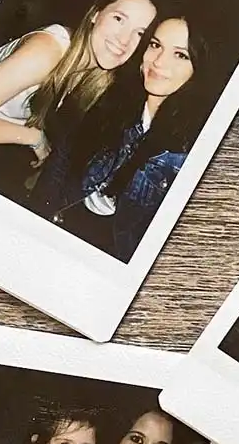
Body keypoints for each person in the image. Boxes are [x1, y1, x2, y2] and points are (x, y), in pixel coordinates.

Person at [0, 0, 157, 193]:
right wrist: (34, 138)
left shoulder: (98, 72)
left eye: (139, 33)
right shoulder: (45, 53)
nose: (124, 40)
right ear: (95, 14)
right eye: (119, 19)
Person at [40, 13, 209, 261]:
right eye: (155, 45)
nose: (159, 62)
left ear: (198, 68)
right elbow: (62, 161)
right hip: (62, 214)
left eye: (180, 55)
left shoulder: (186, 153)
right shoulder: (113, 97)